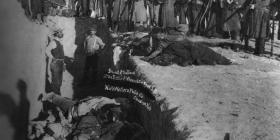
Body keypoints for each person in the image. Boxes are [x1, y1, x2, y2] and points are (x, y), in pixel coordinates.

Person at [46, 30, 65, 95]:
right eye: (60, 32)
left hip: (61, 63)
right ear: (56, 34)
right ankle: (55, 97)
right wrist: (53, 58)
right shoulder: (53, 42)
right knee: (56, 82)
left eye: (61, 32)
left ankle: (56, 96)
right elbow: (47, 51)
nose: (62, 33)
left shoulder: (60, 42)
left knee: (59, 82)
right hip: (56, 63)